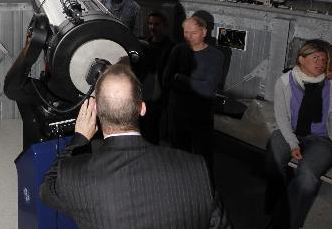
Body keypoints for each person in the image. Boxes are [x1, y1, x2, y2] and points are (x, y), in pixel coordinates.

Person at [39, 64, 230, 229]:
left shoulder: (74, 176)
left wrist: (79, 139)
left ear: (96, 111)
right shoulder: (196, 167)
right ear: (142, 108)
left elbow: (47, 188)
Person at [264, 40, 332, 229]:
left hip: (325, 139)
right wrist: (293, 143)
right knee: (273, 161)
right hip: (291, 132)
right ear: (301, 59)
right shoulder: (284, 81)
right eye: (315, 58)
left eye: (324, 60)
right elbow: (282, 117)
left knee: (307, 175)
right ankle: (277, 203)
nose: (320, 63)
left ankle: (283, 223)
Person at [163, 16, 223, 175]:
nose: (188, 36)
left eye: (193, 32)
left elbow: (208, 89)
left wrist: (181, 79)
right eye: (186, 32)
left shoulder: (215, 56)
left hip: (201, 118)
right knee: (178, 158)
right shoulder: (178, 50)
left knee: (203, 160)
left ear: (204, 32)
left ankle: (206, 192)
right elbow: (166, 80)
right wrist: (194, 84)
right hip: (178, 115)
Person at [138, 11, 175, 144]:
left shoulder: (172, 48)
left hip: (158, 93)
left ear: (165, 26)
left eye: (156, 24)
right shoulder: (143, 44)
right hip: (143, 90)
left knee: (153, 129)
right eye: (150, 24)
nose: (152, 27)